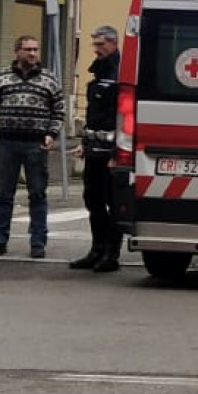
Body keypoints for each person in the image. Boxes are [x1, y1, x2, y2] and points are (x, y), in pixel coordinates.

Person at [0, 35, 64, 259]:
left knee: (37, 193)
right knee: (4, 194)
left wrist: (51, 133)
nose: (33, 54)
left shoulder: (49, 79)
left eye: (35, 49)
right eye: (27, 49)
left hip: (36, 143)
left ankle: (38, 242)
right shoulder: (2, 77)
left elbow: (59, 109)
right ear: (17, 52)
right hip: (8, 141)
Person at [71, 26, 123, 272]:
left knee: (113, 202)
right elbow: (94, 115)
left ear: (113, 43)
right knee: (93, 200)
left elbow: (122, 117)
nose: (96, 49)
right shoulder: (100, 70)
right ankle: (96, 249)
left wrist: (117, 153)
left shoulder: (120, 72)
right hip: (94, 149)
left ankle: (111, 255)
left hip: (111, 152)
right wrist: (84, 143)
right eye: (95, 44)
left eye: (101, 44)